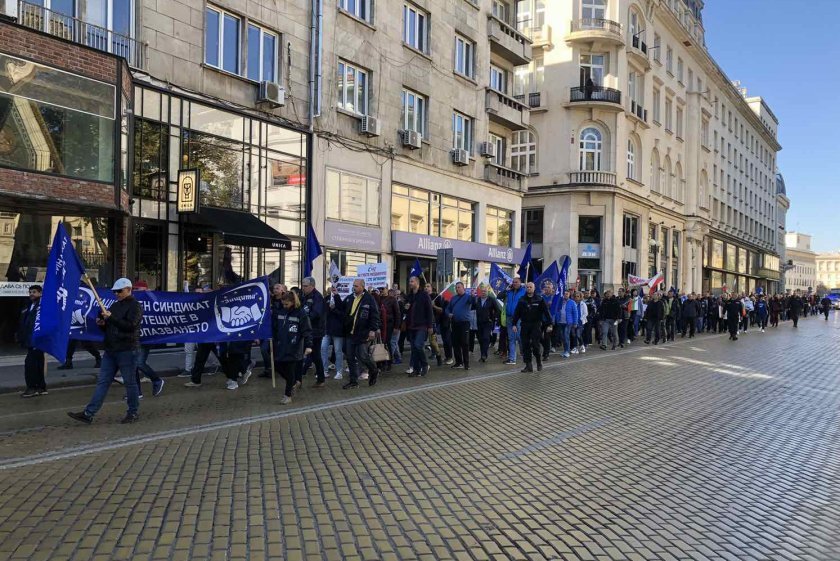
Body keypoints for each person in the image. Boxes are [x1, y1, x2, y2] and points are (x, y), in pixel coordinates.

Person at [68, 278, 143, 424]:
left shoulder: (135, 306)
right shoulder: (115, 305)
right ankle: (89, 413)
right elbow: (110, 326)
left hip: (127, 349)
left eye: (119, 291)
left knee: (130, 383)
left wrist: (111, 318)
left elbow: (131, 326)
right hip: (111, 349)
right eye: (115, 292)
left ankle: (133, 412)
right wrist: (102, 323)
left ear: (128, 289)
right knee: (102, 382)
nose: (117, 294)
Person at [271, 290, 312, 404]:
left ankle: (287, 395)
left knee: (290, 371)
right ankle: (293, 382)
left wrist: (308, 345)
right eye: (283, 304)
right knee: (277, 365)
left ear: (293, 302)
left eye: (286, 304)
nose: (284, 306)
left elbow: (307, 331)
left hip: (294, 346)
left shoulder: (301, 313)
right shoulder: (279, 312)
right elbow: (274, 327)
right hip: (280, 345)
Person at [344, 278, 380, 388]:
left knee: (363, 356)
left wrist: (373, 329)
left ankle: (374, 370)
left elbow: (375, 315)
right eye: (353, 286)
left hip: (362, 332)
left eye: (356, 286)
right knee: (349, 357)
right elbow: (343, 310)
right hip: (350, 333)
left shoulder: (369, 299)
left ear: (362, 287)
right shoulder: (350, 298)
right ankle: (353, 381)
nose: (354, 288)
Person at [512, 282, 551, 372]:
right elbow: (517, 313)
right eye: (527, 287)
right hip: (525, 325)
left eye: (530, 287)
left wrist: (550, 324)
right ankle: (528, 365)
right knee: (525, 345)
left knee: (535, 345)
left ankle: (538, 362)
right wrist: (514, 324)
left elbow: (546, 312)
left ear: (534, 288)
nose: (529, 288)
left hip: (536, 325)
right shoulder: (522, 300)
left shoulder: (539, 299)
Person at [19, 285, 45, 398]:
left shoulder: (43, 306)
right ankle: (41, 387)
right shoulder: (29, 305)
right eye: (30, 292)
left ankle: (32, 387)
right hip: (29, 339)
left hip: (37, 339)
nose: (31, 294)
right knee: (38, 364)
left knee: (30, 364)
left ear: (40, 293)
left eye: (34, 292)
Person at [300, 277, 326, 387]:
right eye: (303, 285)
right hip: (307, 330)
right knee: (309, 355)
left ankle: (321, 379)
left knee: (315, 355)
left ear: (312, 286)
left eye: (305, 286)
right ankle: (300, 377)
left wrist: (303, 320)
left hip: (316, 331)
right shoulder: (304, 296)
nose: (303, 288)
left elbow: (315, 314)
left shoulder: (318, 297)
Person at [405, 276, 433, 377]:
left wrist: (430, 326)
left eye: (412, 281)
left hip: (422, 325)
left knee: (418, 345)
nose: (410, 283)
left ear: (417, 283)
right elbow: (406, 310)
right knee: (414, 348)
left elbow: (429, 311)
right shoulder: (409, 296)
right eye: (409, 281)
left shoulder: (424, 295)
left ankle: (425, 365)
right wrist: (406, 308)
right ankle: (416, 369)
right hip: (411, 326)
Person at [446, 282, 474, 370]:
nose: (457, 289)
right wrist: (448, 314)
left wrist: (473, 296)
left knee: (465, 343)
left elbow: (473, 302)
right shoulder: (453, 298)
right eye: (456, 288)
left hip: (464, 323)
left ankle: (466, 363)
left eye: (459, 287)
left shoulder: (468, 297)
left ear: (463, 288)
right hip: (455, 323)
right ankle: (459, 362)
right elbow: (447, 309)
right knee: (455, 343)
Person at [322, 284, 346, 382]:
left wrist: (334, 308)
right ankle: (324, 370)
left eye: (334, 288)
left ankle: (339, 371)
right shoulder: (327, 298)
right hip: (327, 329)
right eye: (331, 287)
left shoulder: (341, 298)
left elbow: (343, 313)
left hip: (338, 330)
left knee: (338, 351)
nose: (332, 289)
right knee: (323, 348)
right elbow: (324, 312)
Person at [502, 277, 526, 365]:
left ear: (520, 283)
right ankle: (512, 359)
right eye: (513, 282)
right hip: (509, 318)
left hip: (519, 318)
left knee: (520, 337)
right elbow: (499, 296)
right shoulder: (509, 291)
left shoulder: (524, 292)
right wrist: (506, 289)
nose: (514, 283)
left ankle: (525, 352)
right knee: (511, 338)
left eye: (516, 282)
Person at [474, 286, 496, 363]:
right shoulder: (477, 300)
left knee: (486, 338)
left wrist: (492, 319)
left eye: (485, 291)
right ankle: (482, 354)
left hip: (488, 323)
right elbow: (472, 308)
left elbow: (497, 310)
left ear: (487, 292)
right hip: (479, 323)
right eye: (482, 291)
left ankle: (484, 355)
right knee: (480, 339)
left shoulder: (491, 300)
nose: (483, 293)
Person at [383, 289, 402, 368]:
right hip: (385, 325)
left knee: (389, 343)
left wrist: (396, 327)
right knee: (387, 343)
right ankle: (387, 360)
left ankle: (389, 361)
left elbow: (397, 314)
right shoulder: (384, 300)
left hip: (390, 325)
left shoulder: (393, 301)